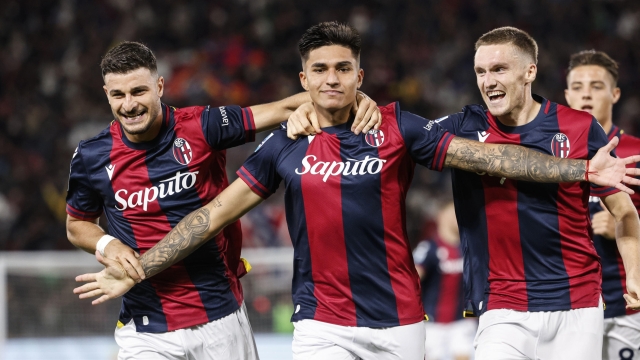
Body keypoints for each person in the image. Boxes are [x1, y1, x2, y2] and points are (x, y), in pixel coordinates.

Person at [73, 23, 640, 360]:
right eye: (320, 70)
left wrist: (581, 171)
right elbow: (211, 216)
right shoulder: (283, 145)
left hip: (400, 322)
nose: (332, 79)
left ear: (360, 76)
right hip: (320, 321)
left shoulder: (397, 127)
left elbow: (492, 156)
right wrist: (139, 266)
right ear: (304, 81)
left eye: (344, 68)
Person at [64, 40, 381, 360]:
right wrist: (107, 245)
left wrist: (357, 98)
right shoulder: (91, 156)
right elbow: (77, 224)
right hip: (146, 325)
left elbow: (287, 107)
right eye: (118, 95)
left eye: (138, 92)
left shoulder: (202, 125)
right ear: (107, 94)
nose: (129, 105)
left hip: (220, 316)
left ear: (159, 87)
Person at [432, 27, 640, 360]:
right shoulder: (463, 127)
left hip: (577, 304)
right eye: (480, 72)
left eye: (499, 69)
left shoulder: (580, 127)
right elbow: (396, 131)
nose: (488, 81)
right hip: (502, 305)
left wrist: (635, 274)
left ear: (530, 72)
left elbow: (625, 211)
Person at [565, 50, 640, 360]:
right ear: (567, 95)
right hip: (566, 308)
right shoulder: (551, 155)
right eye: (578, 87)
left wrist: (622, 225)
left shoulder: (635, 152)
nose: (586, 93)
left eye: (596, 86)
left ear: (615, 93)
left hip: (626, 305)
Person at [413, 201, 476, 360]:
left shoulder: (469, 249)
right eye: (452, 212)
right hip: (433, 323)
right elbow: (413, 280)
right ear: (441, 216)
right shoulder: (428, 248)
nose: (457, 217)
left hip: (462, 321)